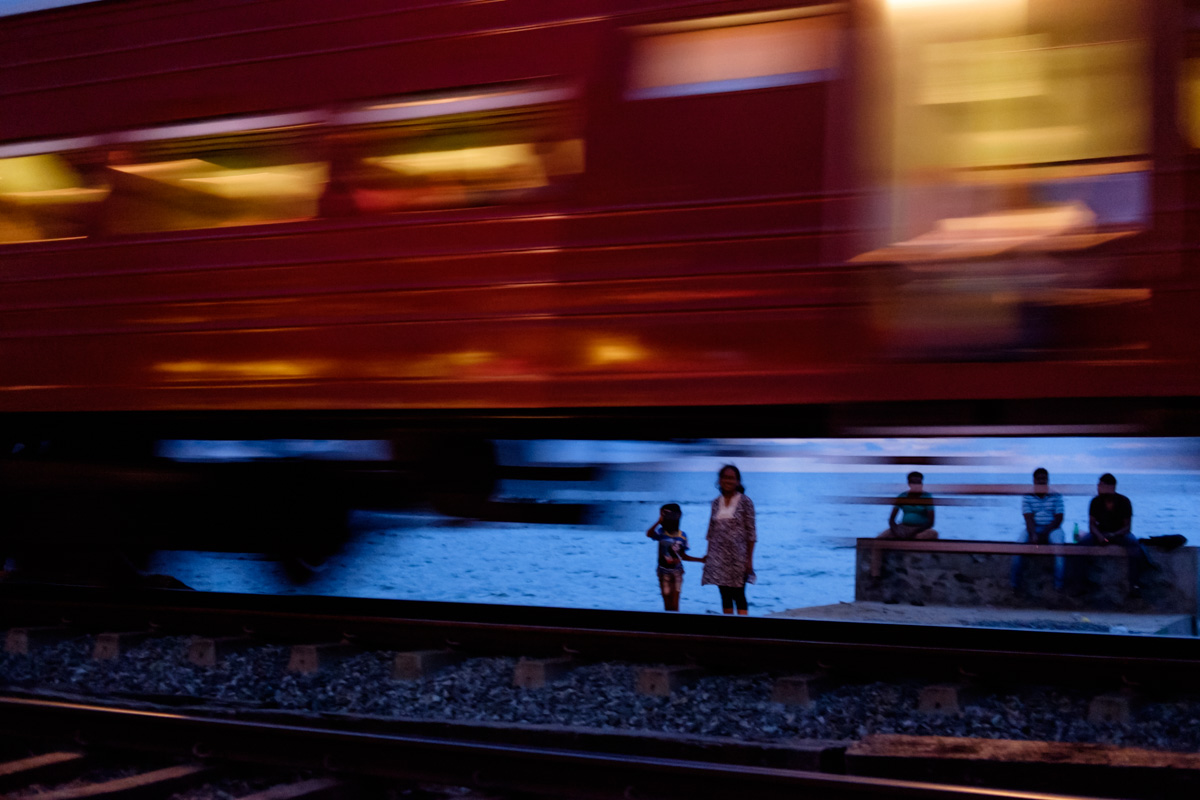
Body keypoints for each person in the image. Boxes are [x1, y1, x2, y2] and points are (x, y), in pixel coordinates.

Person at [1076, 473, 1152, 599]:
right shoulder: (1095, 502)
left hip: (1119, 534)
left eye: (1101, 485)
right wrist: (1100, 535)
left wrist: (1113, 534)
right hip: (1100, 533)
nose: (1098, 487)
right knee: (1081, 546)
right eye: (1098, 485)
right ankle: (1080, 584)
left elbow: (1127, 527)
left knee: (1134, 546)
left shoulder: (1124, 501)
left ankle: (1134, 584)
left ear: (1111, 487)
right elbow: (1092, 525)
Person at [701, 465, 756, 615]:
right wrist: (708, 556)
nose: (728, 481)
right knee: (724, 595)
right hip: (718, 557)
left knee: (738, 594)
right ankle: (729, 628)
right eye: (725, 477)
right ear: (719, 480)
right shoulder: (715, 503)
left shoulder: (746, 502)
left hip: (738, 557)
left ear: (738, 481)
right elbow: (711, 532)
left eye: (731, 478)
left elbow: (751, 533)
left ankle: (743, 631)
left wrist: (749, 560)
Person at [1010, 467, 1065, 593]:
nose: (1041, 482)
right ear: (1034, 480)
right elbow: (1028, 518)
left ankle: (1059, 586)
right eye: (1039, 479)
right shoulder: (1027, 496)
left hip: (1053, 528)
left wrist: (1045, 533)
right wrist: (1033, 534)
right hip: (1034, 527)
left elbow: (1059, 518)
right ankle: (1015, 585)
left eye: (1044, 479)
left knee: (1059, 547)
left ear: (1048, 480)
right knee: (1017, 547)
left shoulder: (1056, 495)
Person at [645, 503, 703, 612]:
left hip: (677, 571)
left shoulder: (682, 536)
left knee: (675, 601)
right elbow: (649, 534)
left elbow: (683, 555)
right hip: (663, 571)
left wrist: (700, 560)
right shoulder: (661, 532)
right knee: (667, 601)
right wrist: (659, 521)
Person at [878, 472, 938, 540]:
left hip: (921, 529)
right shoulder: (902, 496)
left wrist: (915, 532)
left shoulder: (927, 497)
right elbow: (892, 519)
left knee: (931, 534)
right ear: (909, 483)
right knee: (880, 539)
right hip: (903, 527)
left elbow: (931, 522)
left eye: (919, 482)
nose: (917, 485)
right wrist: (897, 531)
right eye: (914, 482)